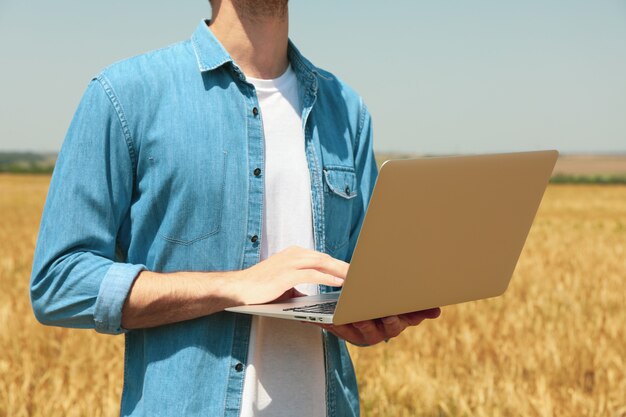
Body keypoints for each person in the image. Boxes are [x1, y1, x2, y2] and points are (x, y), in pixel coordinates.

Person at [30, 1, 440, 416]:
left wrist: (374, 316)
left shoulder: (347, 109)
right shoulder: (123, 95)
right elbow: (58, 283)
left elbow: (361, 283)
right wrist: (234, 286)